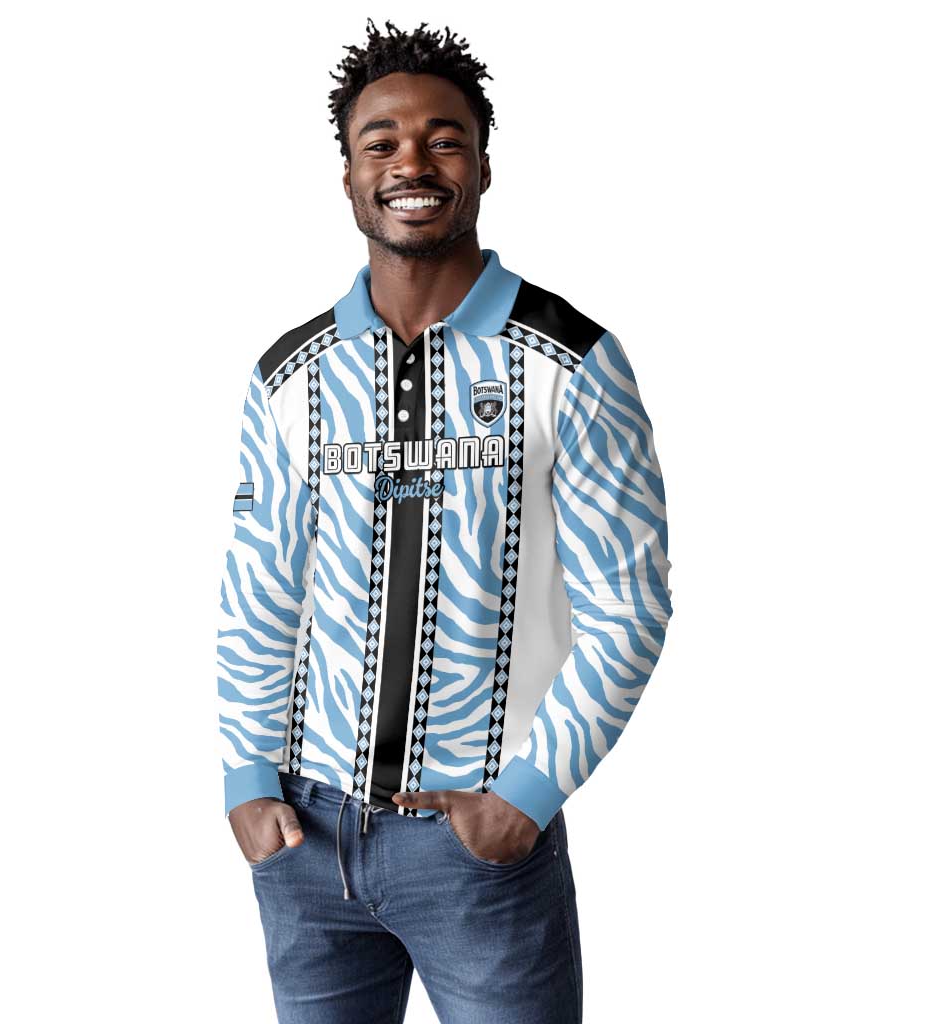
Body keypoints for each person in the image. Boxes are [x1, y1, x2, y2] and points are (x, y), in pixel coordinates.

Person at [216, 18, 673, 1024]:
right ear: (347, 176)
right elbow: (259, 592)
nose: (411, 163)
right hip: (303, 840)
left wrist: (527, 795)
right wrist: (246, 776)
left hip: (478, 849)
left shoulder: (571, 362)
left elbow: (629, 606)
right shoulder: (290, 375)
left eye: (444, 139)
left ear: (483, 167)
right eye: (380, 142)